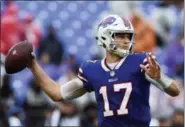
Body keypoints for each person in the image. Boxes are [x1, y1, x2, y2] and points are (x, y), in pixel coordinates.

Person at [26, 14, 180, 127]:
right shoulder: (92, 69)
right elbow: (57, 93)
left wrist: (159, 78)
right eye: (121, 36)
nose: (127, 41)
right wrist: (33, 65)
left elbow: (175, 91)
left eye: (129, 36)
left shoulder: (140, 62)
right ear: (105, 36)